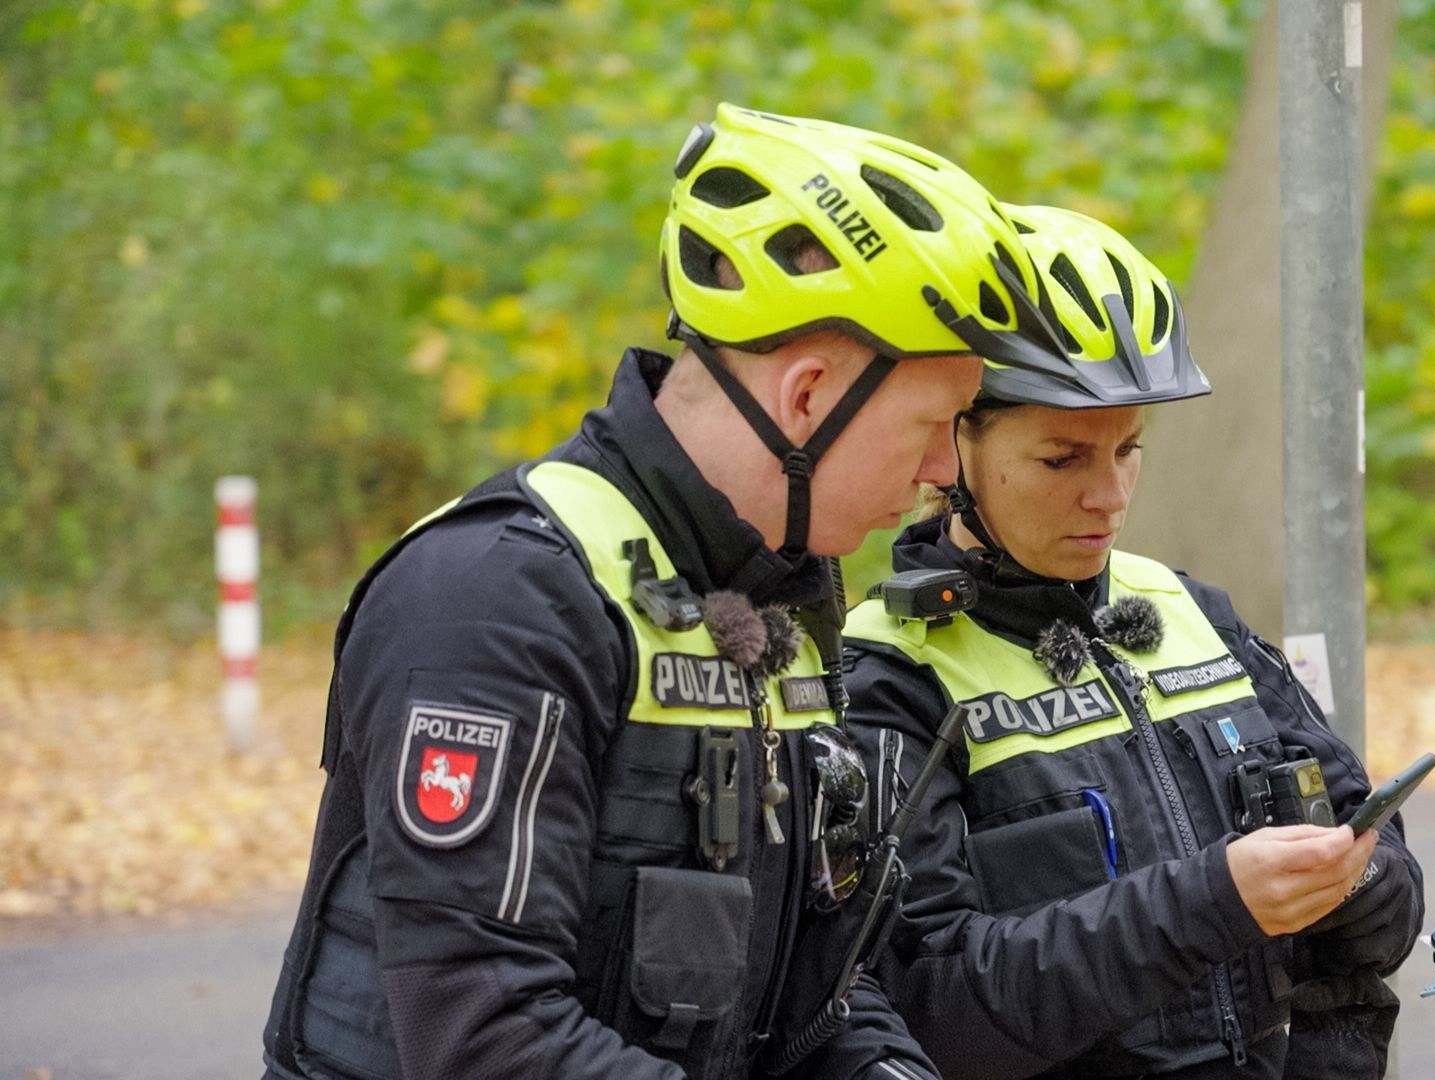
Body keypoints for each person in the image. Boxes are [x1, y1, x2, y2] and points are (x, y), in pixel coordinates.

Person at [261, 103, 1054, 1080]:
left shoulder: (783, 608)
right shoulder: (497, 598)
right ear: (806, 396)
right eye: (934, 423)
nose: (945, 469)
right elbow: (489, 1042)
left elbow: (817, 1000)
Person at [841, 204, 1425, 1079]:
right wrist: (1215, 902)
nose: (1109, 496)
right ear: (955, 444)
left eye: (1129, 451)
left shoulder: (1195, 613)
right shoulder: (887, 674)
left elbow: (1392, 902)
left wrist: (1351, 884)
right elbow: (932, 1005)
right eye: (1062, 459)